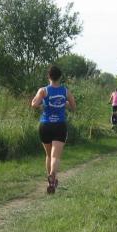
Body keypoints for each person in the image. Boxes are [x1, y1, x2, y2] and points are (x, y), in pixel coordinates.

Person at [31, 65, 76, 194]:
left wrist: (41, 104)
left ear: (48, 76)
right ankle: (52, 175)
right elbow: (73, 107)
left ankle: (50, 181)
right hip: (59, 126)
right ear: (60, 77)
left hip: (45, 125)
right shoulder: (65, 91)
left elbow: (34, 104)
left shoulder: (43, 90)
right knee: (55, 156)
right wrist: (63, 104)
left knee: (48, 154)